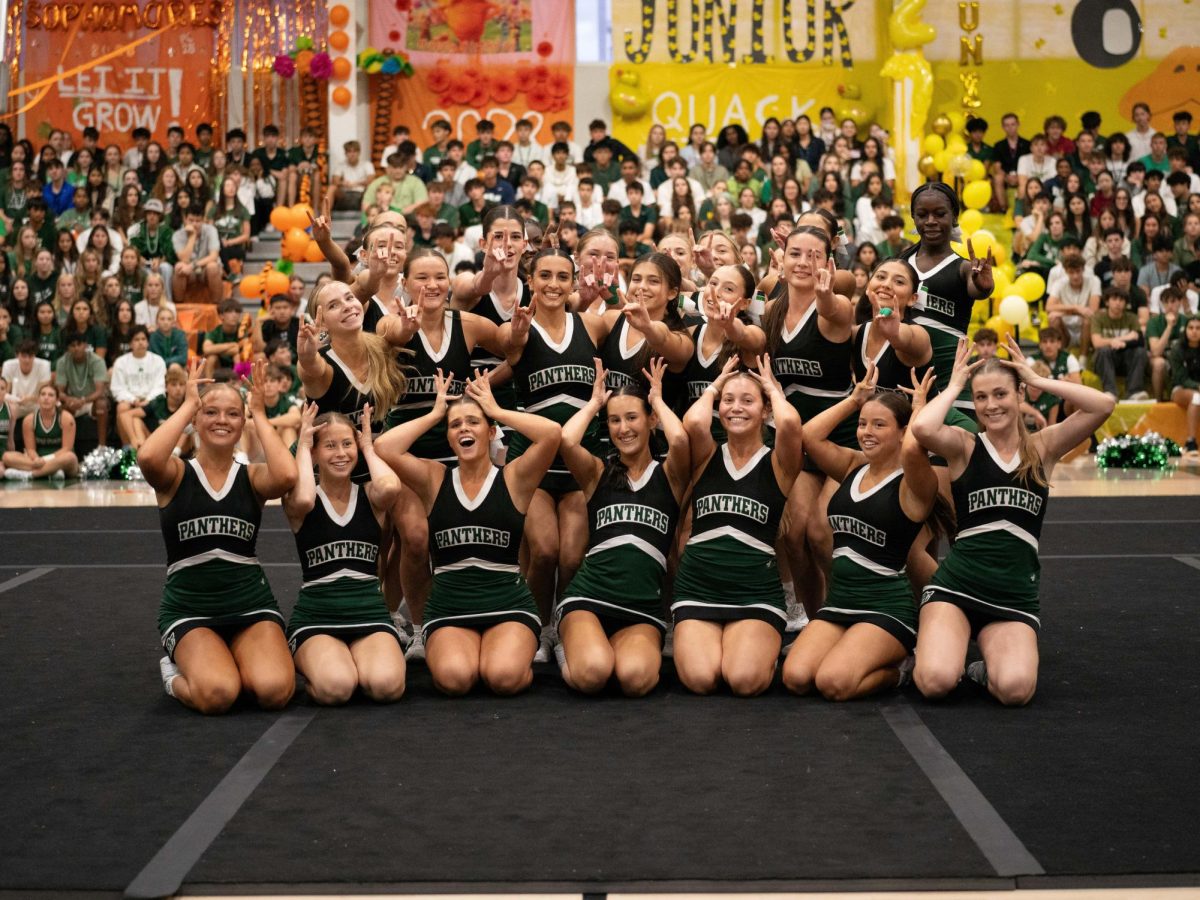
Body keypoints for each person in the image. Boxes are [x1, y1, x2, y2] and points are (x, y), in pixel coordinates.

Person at [911, 335, 1115, 705]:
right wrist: (954, 386)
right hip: (957, 588)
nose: (991, 405)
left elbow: (1104, 404)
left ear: (1019, 394)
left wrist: (1037, 380)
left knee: (1016, 691)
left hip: (1012, 596)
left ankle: (982, 668)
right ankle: (943, 652)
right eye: (981, 397)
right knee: (935, 682)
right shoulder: (965, 446)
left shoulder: (1043, 447)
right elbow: (923, 429)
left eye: (1001, 394)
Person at [374, 370, 561, 697]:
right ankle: (473, 652)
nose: (464, 429)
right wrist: (434, 415)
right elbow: (384, 446)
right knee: (455, 679)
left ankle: (503, 655)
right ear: (449, 437)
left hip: (508, 606)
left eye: (473, 422)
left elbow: (551, 433)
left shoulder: (514, 478)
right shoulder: (434, 479)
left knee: (503, 678)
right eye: (455, 425)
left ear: (490, 432)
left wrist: (497, 411)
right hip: (450, 608)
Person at [142, 358, 298, 714]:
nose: (222, 420)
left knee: (274, 691)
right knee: (218, 695)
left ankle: (230, 657)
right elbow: (148, 457)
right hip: (189, 608)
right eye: (210, 412)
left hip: (249, 604)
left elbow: (287, 476)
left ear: (242, 423)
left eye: (232, 414)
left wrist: (260, 414)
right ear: (196, 420)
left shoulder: (252, 477)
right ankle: (174, 674)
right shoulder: (176, 474)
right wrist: (188, 405)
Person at [782, 363, 940, 699]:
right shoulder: (853, 465)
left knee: (833, 683)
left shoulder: (913, 484)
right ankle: (854, 653)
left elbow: (913, 451)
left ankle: (899, 672)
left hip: (886, 608)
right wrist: (854, 401)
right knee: (795, 677)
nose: (866, 431)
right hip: (840, 602)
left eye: (879, 425)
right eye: (862, 424)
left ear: (903, 432)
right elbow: (808, 436)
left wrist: (919, 411)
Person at [499, 247, 612, 656]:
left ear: (573, 282)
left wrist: (613, 292)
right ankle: (536, 628)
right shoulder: (518, 328)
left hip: (581, 463)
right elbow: (511, 345)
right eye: (544, 276)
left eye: (562, 276)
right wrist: (516, 331)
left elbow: (636, 329)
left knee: (572, 557)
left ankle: (565, 629)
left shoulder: (592, 326)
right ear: (530, 281)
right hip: (533, 463)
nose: (553, 284)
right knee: (544, 551)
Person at [555, 358, 689, 696]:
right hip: (589, 597)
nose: (623, 428)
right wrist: (593, 404)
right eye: (614, 420)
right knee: (593, 674)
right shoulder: (598, 473)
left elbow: (680, 441)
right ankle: (567, 647)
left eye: (631, 417)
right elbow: (566, 441)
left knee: (635, 679)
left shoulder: (669, 475)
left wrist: (657, 401)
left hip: (641, 608)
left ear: (650, 421)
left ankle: (605, 649)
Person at [672, 354, 803, 695]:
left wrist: (772, 389)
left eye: (747, 401)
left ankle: (756, 645)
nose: (736, 408)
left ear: (765, 411)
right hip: (698, 588)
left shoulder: (779, 462)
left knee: (745, 681)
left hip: (754, 593)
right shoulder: (706, 455)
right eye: (728, 401)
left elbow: (791, 425)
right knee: (701, 680)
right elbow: (694, 422)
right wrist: (715, 386)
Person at [282, 402, 406, 705]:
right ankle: (328, 664)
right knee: (336, 688)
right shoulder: (300, 501)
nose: (341, 453)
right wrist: (303, 446)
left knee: (387, 687)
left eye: (347, 444)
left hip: (369, 613)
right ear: (315, 452)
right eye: (330, 446)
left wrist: (368, 447)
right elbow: (305, 497)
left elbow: (391, 487)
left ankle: (354, 661)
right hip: (317, 618)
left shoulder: (371, 495)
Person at [764, 226, 855, 620]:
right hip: (797, 442)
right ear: (782, 261)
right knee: (792, 534)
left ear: (828, 263)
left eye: (814, 255)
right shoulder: (772, 311)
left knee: (820, 532)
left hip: (839, 439)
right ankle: (815, 618)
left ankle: (849, 606)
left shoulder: (838, 306)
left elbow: (835, 311)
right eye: (795, 254)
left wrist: (825, 296)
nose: (803, 262)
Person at [2, 381, 79, 479]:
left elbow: (66, 449)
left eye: (51, 395)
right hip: (36, 461)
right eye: (43, 394)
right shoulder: (29, 420)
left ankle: (31, 475)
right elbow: (30, 449)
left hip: (59, 459)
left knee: (70, 457)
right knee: (6, 456)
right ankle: (51, 472)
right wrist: (36, 459)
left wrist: (45, 459)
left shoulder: (66, 418)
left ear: (57, 400)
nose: (46, 398)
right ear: (38, 399)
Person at [111, 325, 166, 448]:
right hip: (131, 401)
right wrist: (133, 400)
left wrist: (148, 400)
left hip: (152, 401)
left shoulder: (158, 360)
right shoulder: (121, 362)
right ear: (130, 343)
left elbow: (160, 386)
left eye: (143, 339)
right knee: (122, 407)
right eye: (136, 339)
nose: (140, 342)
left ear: (148, 342)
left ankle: (142, 446)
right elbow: (117, 388)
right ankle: (127, 447)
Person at [54, 333, 110, 446]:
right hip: (72, 401)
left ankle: (102, 447)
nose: (76, 348)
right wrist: (69, 399)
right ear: (68, 348)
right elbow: (60, 392)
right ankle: (66, 448)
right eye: (72, 345)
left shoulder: (97, 361)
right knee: (57, 407)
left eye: (79, 344)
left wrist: (83, 400)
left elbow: (100, 391)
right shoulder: (62, 362)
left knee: (102, 405)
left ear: (85, 345)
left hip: (92, 401)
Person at [172, 208, 223, 303]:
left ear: (203, 220)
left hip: (205, 268)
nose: (194, 224)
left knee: (212, 267)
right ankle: (179, 305)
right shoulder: (177, 235)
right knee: (179, 267)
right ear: (185, 220)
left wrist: (193, 266)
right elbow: (184, 259)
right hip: (188, 271)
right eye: (191, 220)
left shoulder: (211, 230)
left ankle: (217, 305)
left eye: (198, 221)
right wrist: (192, 236)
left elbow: (214, 256)